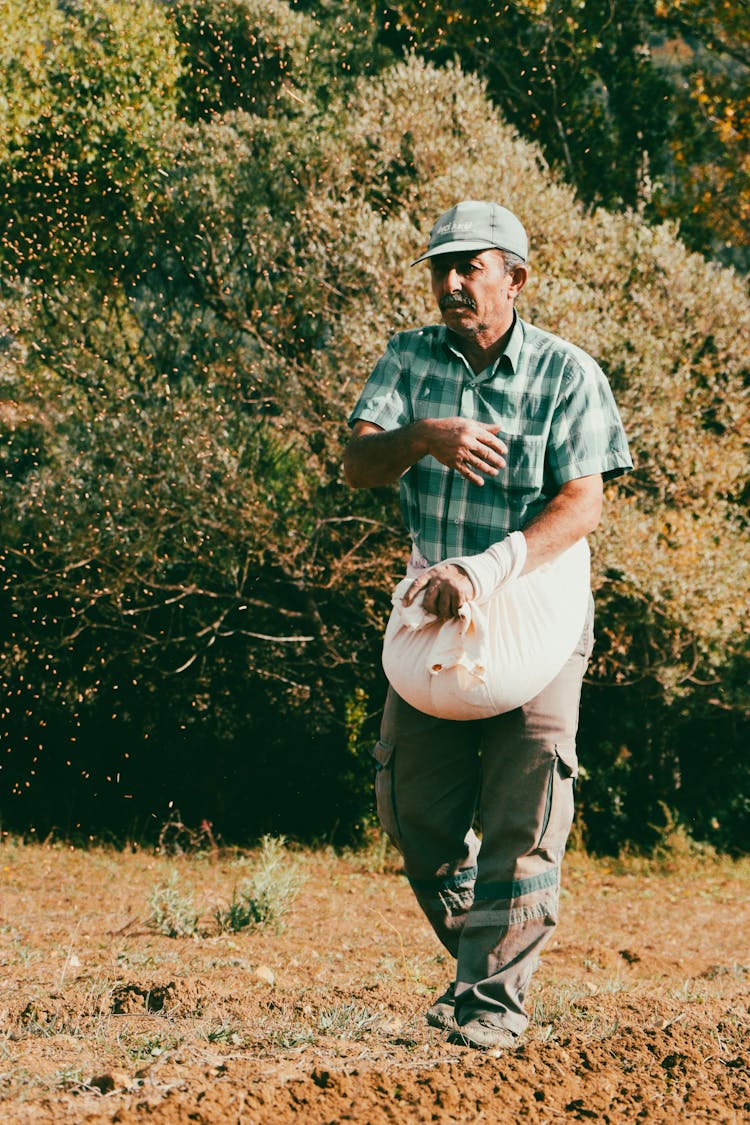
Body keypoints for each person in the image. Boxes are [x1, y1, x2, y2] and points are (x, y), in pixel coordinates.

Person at [343, 200, 633, 1051]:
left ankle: (492, 1003)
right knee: (413, 812)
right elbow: (357, 463)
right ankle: (483, 961)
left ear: (516, 277)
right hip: (436, 612)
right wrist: (423, 436)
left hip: (537, 609)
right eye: (442, 266)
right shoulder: (407, 359)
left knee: (527, 811)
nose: (453, 281)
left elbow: (585, 500)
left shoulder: (568, 371)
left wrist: (491, 567)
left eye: (472, 265)